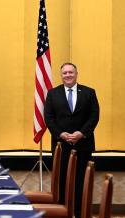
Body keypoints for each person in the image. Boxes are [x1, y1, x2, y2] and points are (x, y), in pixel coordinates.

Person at [44, 63, 99, 218]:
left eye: (70, 72)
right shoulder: (53, 94)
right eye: (64, 73)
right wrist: (61, 134)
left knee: (82, 181)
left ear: (76, 74)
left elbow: (94, 116)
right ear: (61, 75)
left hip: (83, 144)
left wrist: (81, 133)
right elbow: (48, 118)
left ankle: (80, 213)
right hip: (61, 145)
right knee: (61, 181)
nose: (67, 75)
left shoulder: (89, 92)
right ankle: (61, 212)